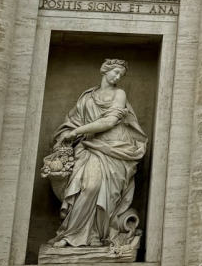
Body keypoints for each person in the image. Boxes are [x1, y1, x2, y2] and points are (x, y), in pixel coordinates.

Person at [44, 59, 148, 250]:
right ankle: (71, 234)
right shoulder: (87, 97)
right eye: (115, 72)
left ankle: (96, 235)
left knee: (106, 193)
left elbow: (109, 121)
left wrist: (76, 132)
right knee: (89, 187)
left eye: (121, 75)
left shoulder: (119, 93)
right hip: (89, 146)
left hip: (115, 148)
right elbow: (72, 122)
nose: (117, 77)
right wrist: (66, 135)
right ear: (104, 70)